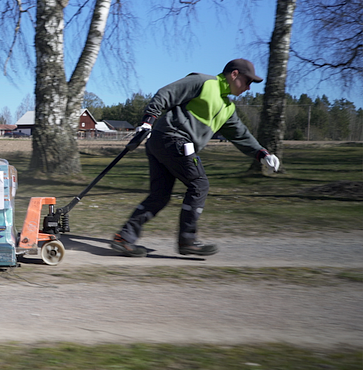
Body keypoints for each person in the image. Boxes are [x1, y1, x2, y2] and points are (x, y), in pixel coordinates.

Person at [110, 58, 281, 258]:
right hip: (173, 138)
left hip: (163, 143)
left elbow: (241, 135)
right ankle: (187, 240)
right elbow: (166, 93)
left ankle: (124, 238)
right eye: (247, 81)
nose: (249, 88)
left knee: (160, 195)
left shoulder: (227, 108)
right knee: (199, 184)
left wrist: (262, 154)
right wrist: (148, 120)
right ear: (234, 74)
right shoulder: (203, 82)